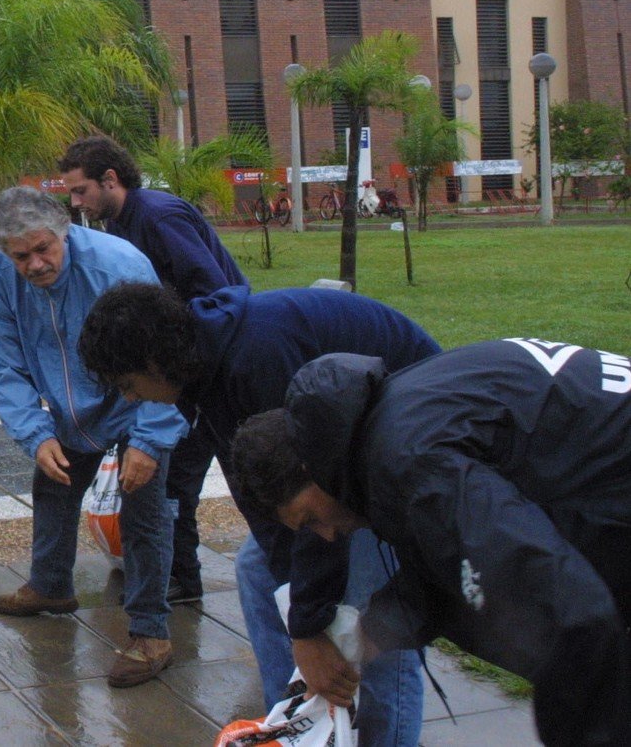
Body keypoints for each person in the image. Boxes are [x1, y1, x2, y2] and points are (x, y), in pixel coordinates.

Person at [77, 282, 440, 746]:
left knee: (371, 617)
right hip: (344, 464)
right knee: (257, 571)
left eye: (128, 384)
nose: (129, 399)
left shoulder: (257, 358)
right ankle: (295, 725)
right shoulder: (202, 372)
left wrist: (310, 628)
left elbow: (313, 496)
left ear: (153, 361)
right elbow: (264, 499)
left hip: (403, 455)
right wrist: (303, 622)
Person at [230, 339, 631, 747]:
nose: (328, 535)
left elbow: (572, 615)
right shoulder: (386, 424)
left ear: (310, 467)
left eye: (311, 518)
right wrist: (366, 633)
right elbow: (449, 561)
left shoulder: (410, 462)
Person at [0, 186, 187, 688]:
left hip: (140, 399)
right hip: (70, 409)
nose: (35, 264)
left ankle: (151, 631)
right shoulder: (0, 281)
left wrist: (150, 441)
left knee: (145, 511)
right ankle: (50, 585)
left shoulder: (119, 267)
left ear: (65, 232)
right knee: (53, 484)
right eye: (20, 256)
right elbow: (2, 364)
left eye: (44, 249)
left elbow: (168, 358)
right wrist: (35, 433)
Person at [59, 135, 245, 605]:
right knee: (175, 481)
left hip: (209, 367)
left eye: (80, 191)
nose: (73, 201)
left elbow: (215, 292)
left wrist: (178, 363)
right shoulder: (122, 224)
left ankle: (188, 578)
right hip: (178, 373)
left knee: (183, 478)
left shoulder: (158, 216)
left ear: (110, 179)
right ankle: (181, 576)